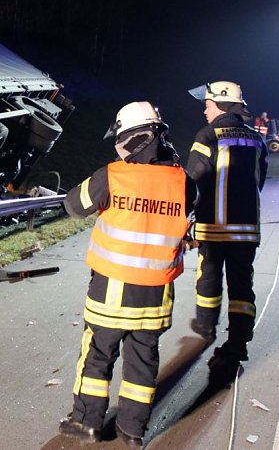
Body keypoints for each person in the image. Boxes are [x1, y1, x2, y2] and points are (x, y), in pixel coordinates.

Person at [58, 101, 197, 447]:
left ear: (130, 138)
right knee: (142, 362)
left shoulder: (113, 175)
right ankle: (133, 430)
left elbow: (73, 206)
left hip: (111, 291)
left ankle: (87, 423)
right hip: (155, 296)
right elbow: (186, 223)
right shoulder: (183, 182)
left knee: (97, 357)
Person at [186, 81, 267, 383]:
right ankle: (238, 344)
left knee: (208, 277)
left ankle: (206, 327)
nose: (204, 109)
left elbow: (195, 179)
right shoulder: (255, 138)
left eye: (206, 103)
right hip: (246, 229)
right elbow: (260, 179)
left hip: (213, 227)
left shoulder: (207, 136)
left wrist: (187, 216)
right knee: (241, 286)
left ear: (219, 105)